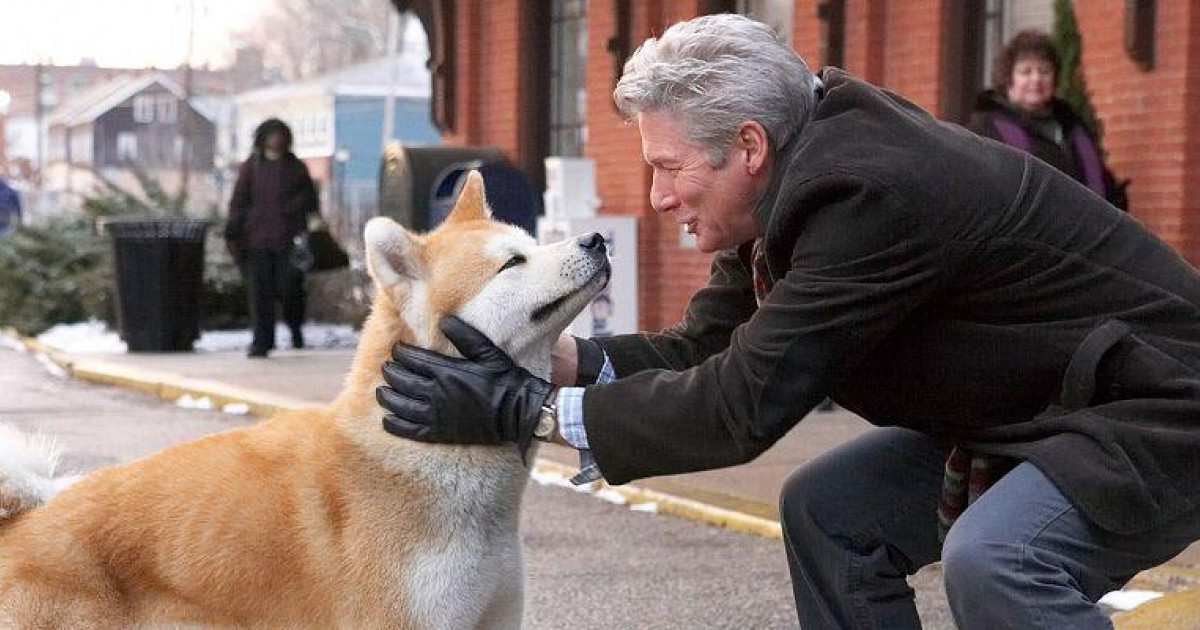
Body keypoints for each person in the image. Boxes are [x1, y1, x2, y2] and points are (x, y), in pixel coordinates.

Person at [374, 14, 1200, 629]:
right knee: (829, 512)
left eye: (669, 168)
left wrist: (524, 415)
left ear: (748, 145)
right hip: (1035, 408)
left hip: (1154, 408)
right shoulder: (797, 176)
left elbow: (741, 404)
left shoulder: (867, 194)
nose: (659, 199)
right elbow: (704, 349)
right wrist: (547, 362)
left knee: (1000, 561)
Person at [969, 30, 1128, 210]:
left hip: (1086, 232)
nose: (1036, 79)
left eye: (1044, 71)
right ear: (1008, 79)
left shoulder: (1073, 126)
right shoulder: (986, 129)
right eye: (1026, 72)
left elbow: (1103, 183)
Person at [224, 118, 318, 358]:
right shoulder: (251, 167)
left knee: (290, 290)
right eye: (271, 135)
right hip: (256, 241)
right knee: (260, 294)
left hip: (288, 242)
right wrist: (233, 231)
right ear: (262, 138)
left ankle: (295, 329)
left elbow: (311, 201)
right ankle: (261, 342)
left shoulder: (296, 168)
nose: (276, 139)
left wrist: (293, 210)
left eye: (280, 135)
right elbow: (239, 201)